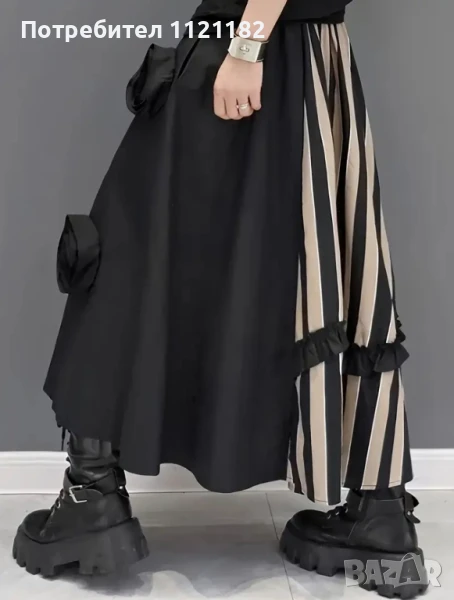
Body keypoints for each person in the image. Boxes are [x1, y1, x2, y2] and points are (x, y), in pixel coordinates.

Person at [13, 0, 428, 597]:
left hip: (252, 45)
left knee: (130, 246)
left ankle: (91, 497)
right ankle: (380, 512)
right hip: (310, 51)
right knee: (324, 255)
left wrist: (247, 46)